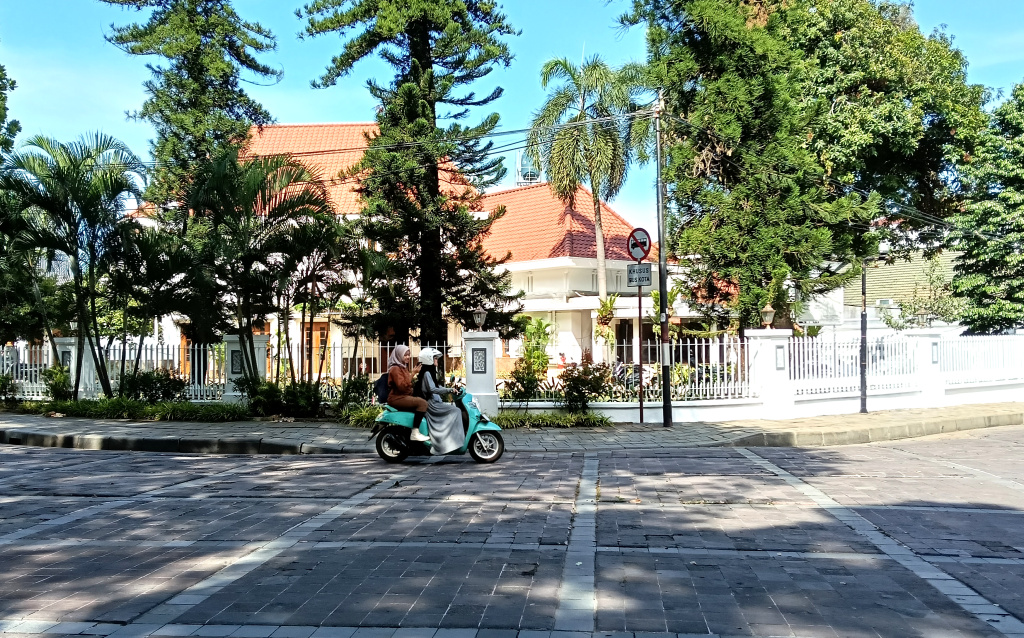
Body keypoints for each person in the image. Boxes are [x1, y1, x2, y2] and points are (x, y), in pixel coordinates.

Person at [415, 348, 464, 454]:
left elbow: (436, 386)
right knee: (456, 411)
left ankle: (448, 440)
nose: (437, 361)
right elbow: (433, 389)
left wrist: (450, 388)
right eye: (435, 358)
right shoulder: (427, 373)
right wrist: (449, 390)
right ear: (429, 359)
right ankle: (451, 442)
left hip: (433, 402)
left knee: (453, 411)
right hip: (432, 404)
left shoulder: (429, 372)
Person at [386, 345, 429, 442]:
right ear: (398, 355)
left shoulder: (402, 367)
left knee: (424, 400)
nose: (407, 357)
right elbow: (402, 386)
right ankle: (415, 432)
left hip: (403, 396)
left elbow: (407, 384)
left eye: (408, 355)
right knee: (422, 403)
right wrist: (413, 373)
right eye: (405, 355)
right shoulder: (395, 369)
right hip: (397, 398)